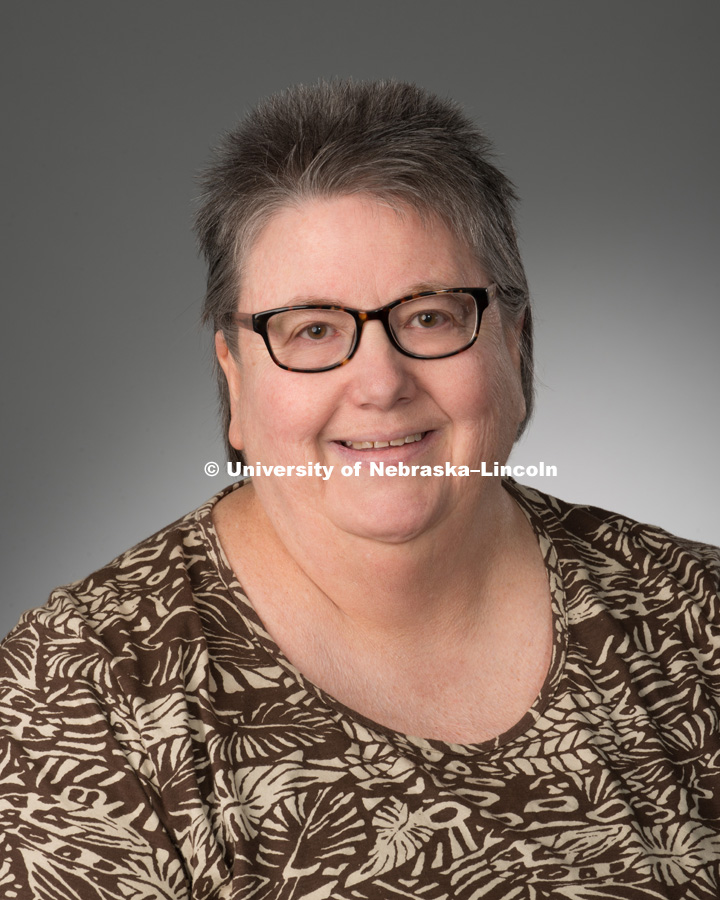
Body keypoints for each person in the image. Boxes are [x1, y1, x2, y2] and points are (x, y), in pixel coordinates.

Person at [1, 79, 719, 899]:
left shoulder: (697, 620)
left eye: (430, 317)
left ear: (515, 345)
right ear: (234, 378)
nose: (379, 383)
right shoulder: (88, 688)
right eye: (312, 329)